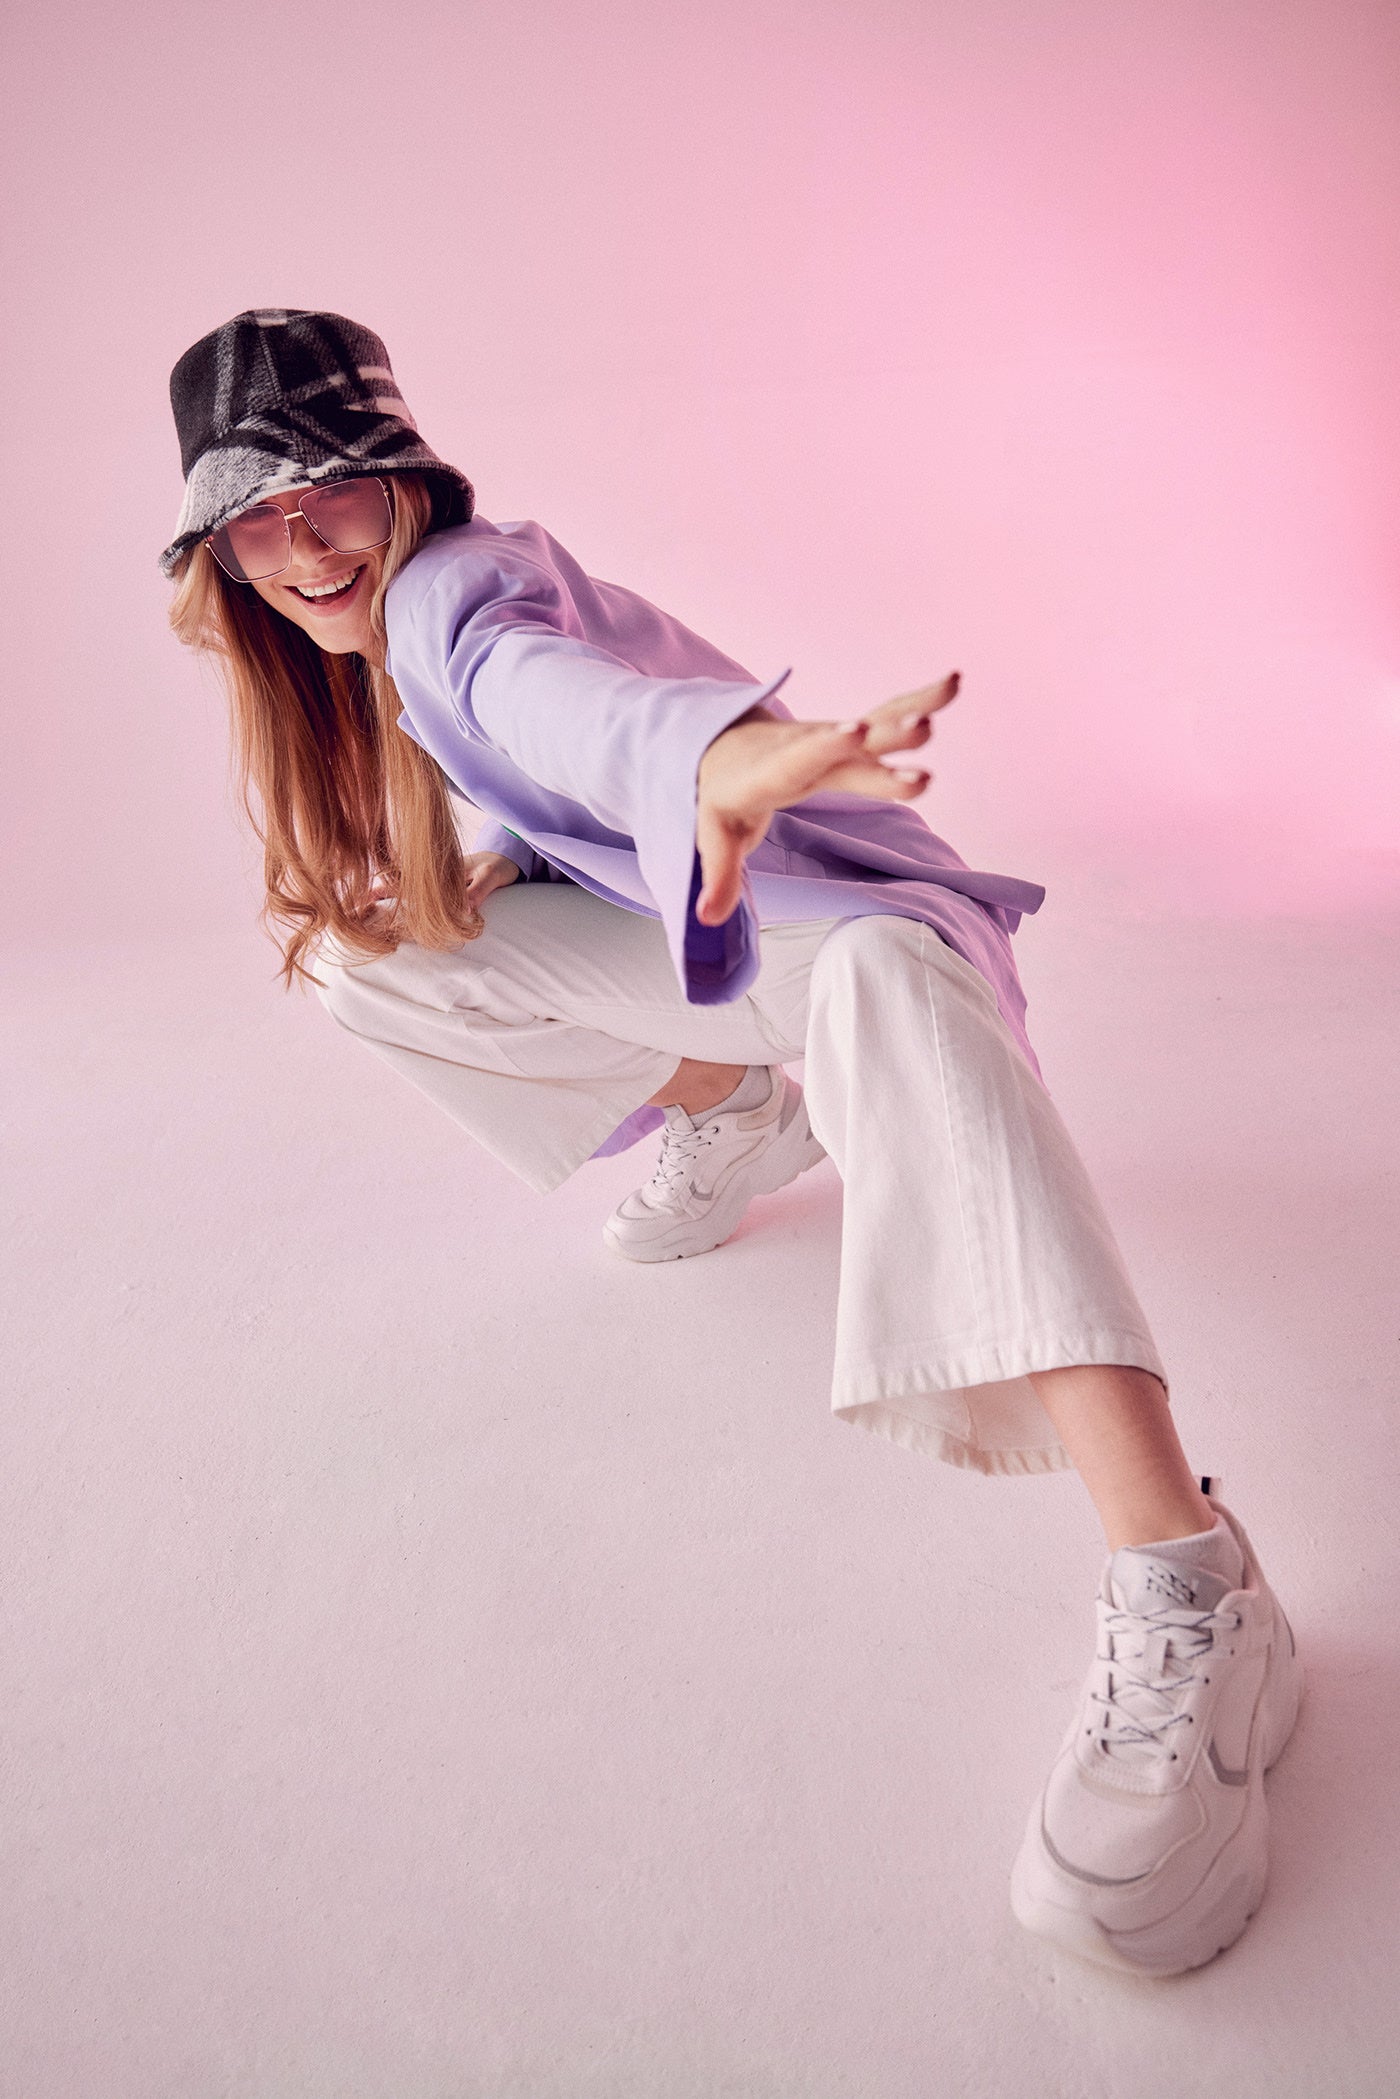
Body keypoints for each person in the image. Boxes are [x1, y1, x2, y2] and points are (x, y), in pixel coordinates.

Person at [161, 307, 1301, 1976]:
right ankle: (737, 1111)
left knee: (900, 1000)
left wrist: (727, 759)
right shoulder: (347, 666)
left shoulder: (458, 597)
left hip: (836, 929)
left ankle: (1197, 1590)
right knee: (369, 951)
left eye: (329, 490)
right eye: (254, 515)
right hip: (721, 947)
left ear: (404, 484)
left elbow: (575, 715)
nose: (300, 540)